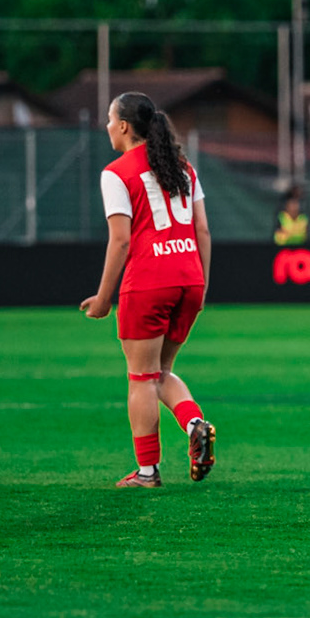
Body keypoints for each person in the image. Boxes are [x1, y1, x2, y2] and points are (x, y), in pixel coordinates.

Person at [80, 92, 216, 489]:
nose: (107, 126)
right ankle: (194, 423)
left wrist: (104, 299)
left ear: (124, 126)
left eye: (109, 119)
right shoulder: (183, 167)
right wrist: (200, 286)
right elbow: (202, 230)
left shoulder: (116, 172)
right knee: (161, 372)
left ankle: (147, 472)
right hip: (189, 277)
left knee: (141, 377)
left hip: (149, 282)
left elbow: (121, 241)